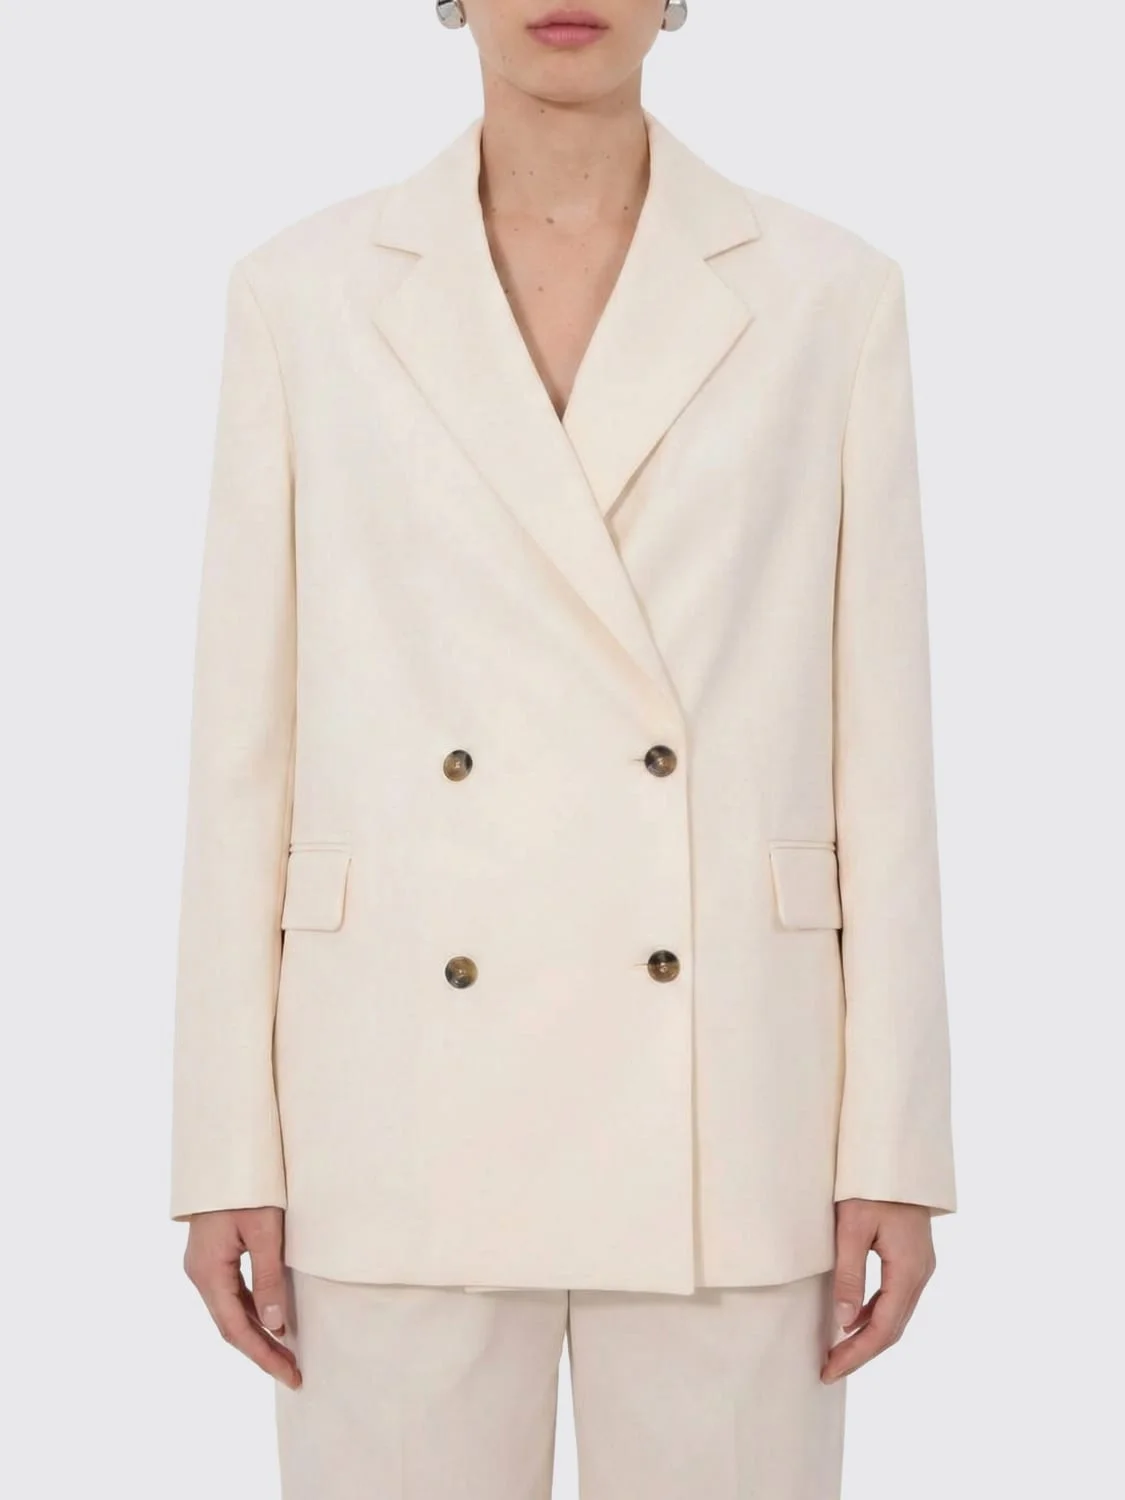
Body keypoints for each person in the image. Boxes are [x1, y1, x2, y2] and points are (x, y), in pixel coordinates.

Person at [169, 3, 957, 1496]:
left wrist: (896, 1144)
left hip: (731, 1098)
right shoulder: (303, 295)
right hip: (392, 1096)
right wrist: (224, 1147)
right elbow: (240, 756)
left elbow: (884, 753)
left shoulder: (830, 295)